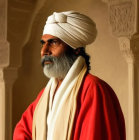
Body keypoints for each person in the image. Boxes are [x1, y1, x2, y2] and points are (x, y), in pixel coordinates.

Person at [13, 11, 126, 140]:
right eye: (43, 43)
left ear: (76, 48)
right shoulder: (45, 95)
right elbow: (22, 131)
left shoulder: (93, 90)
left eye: (53, 43)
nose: (44, 51)